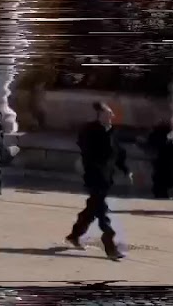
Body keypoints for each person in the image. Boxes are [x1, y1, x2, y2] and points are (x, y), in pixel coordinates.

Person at [65, 102, 129, 261]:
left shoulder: (112, 132)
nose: (111, 116)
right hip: (94, 175)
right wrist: (93, 167)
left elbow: (118, 154)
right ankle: (109, 243)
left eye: (111, 113)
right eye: (107, 113)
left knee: (92, 208)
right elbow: (87, 152)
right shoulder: (90, 131)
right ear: (99, 115)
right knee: (101, 211)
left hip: (107, 177)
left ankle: (74, 235)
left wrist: (126, 170)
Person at [146, 117, 173, 200]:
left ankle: (159, 192)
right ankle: (163, 192)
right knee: (166, 176)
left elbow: (150, 145)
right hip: (168, 158)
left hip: (160, 158)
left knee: (159, 176)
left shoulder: (155, 133)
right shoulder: (171, 134)